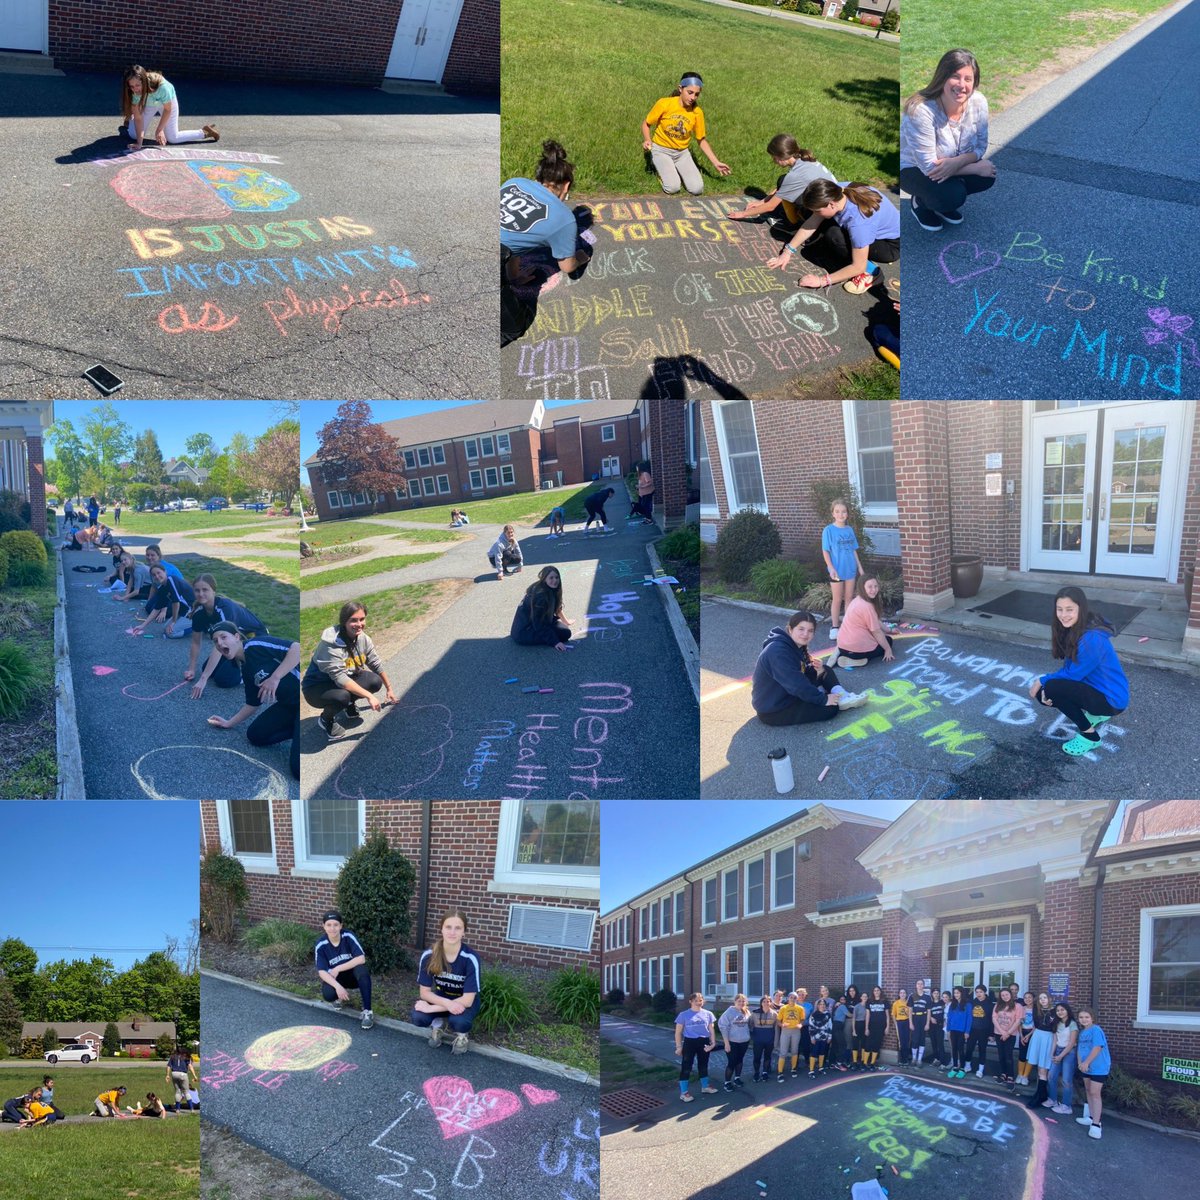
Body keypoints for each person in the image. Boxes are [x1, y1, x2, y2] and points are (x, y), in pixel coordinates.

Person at [900, 49, 996, 233]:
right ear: (942, 77)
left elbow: (981, 145)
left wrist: (958, 162)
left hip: (949, 162)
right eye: (955, 76)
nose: (962, 85)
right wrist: (974, 167)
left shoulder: (979, 102)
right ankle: (921, 203)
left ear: (974, 82)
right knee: (952, 194)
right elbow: (929, 167)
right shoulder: (921, 110)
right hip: (913, 168)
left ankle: (941, 202)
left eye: (968, 79)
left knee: (987, 176)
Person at [1026, 586, 1129, 757]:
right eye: (1059, 609)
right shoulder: (1076, 628)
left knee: (1050, 689)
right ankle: (1097, 713)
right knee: (1047, 690)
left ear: (1081, 609)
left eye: (1069, 609)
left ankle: (1091, 737)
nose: (1063, 615)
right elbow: (1072, 670)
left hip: (1112, 699)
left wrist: (1042, 680)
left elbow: (1072, 675)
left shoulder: (1091, 639)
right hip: (1102, 691)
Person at [765, 178, 900, 295]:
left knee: (834, 236)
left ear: (831, 204)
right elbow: (812, 222)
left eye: (818, 210)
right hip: (871, 230)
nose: (815, 213)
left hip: (889, 245)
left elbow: (857, 266)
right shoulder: (837, 191)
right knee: (823, 224)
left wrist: (821, 281)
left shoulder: (859, 223)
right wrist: (787, 252)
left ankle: (872, 272)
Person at [206, 622, 301, 782]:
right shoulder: (246, 669)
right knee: (255, 735)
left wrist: (275, 678)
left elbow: (297, 648)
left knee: (298, 770)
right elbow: (253, 703)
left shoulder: (255, 645)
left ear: (236, 637)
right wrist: (229, 723)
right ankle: (296, 730)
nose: (220, 643)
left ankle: (301, 730)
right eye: (215, 641)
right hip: (288, 705)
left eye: (223, 637)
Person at [751, 610, 867, 726]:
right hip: (774, 708)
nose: (805, 634)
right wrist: (823, 699)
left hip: (786, 692)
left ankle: (843, 696)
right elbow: (796, 685)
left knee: (825, 669)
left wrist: (819, 671)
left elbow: (801, 671)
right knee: (831, 709)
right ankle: (831, 696)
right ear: (790, 629)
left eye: (810, 631)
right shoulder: (778, 652)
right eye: (801, 629)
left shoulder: (794, 644)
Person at [302, 600, 397, 739]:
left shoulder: (363, 638)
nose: (359, 624)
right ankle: (325, 719)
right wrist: (369, 696)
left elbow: (375, 663)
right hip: (316, 687)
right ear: (344, 622)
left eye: (362, 619)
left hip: (344, 679)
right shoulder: (330, 645)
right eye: (353, 620)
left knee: (374, 682)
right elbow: (340, 679)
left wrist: (389, 689)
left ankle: (348, 703)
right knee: (342, 697)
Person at [501, 140, 592, 278]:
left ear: (538, 177)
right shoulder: (564, 219)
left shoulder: (514, 182)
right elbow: (567, 267)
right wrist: (579, 259)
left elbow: (510, 235)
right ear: (566, 186)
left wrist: (514, 276)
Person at [642, 73, 730, 196]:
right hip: (661, 150)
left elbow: (701, 140)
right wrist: (647, 140)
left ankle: (674, 169)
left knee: (697, 189)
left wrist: (716, 162)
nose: (693, 97)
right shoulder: (664, 103)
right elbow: (646, 124)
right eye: (690, 92)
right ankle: (659, 168)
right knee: (672, 188)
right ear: (680, 89)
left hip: (682, 153)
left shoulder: (697, 112)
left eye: (696, 94)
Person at [727, 134, 837, 230]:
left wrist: (742, 214)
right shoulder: (805, 160)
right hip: (832, 200)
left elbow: (771, 206)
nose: (773, 161)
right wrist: (761, 202)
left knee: (786, 187)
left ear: (781, 157)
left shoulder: (795, 175)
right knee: (783, 180)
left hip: (825, 212)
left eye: (774, 158)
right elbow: (784, 187)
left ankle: (792, 225)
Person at [411, 909, 482, 1053]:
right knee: (418, 1016)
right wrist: (448, 1004)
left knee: (459, 1022)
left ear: (464, 932)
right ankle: (438, 1025)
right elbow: (424, 993)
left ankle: (462, 1035)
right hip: (442, 996)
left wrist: (431, 1008)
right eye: (448, 927)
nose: (452, 932)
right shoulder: (429, 955)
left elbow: (468, 1000)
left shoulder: (470, 958)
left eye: (458, 928)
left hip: (464, 1000)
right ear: (441, 929)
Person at [186, 575, 270, 694]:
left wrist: (202, 679)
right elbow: (195, 643)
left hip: (254, 638)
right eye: (197, 590)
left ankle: (250, 674)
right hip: (234, 641)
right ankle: (242, 666)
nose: (200, 594)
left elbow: (222, 644)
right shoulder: (199, 614)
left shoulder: (224, 608)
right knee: (207, 669)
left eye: (205, 590)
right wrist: (191, 669)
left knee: (224, 680)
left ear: (213, 591)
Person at [121, 64, 217, 147]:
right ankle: (130, 122)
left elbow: (167, 110)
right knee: (134, 135)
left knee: (173, 138)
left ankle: (204, 132)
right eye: (132, 86)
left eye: (137, 85)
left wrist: (159, 129)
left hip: (166, 104)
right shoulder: (133, 92)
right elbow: (138, 119)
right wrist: (139, 143)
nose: (135, 89)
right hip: (149, 103)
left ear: (144, 81)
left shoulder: (162, 88)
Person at [315, 910, 375, 1030]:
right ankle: (338, 997)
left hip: (353, 976)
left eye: (336, 925)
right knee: (328, 994)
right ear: (324, 926)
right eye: (329, 925)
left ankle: (367, 1011)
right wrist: (337, 987)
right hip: (338, 979)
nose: (332, 928)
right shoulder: (321, 944)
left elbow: (361, 958)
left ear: (341, 926)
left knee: (362, 971)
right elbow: (321, 971)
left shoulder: (347, 936)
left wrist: (338, 968)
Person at [822, 499, 864, 639]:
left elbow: (853, 550)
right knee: (837, 599)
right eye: (837, 511)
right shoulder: (828, 530)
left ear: (847, 514)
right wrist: (831, 568)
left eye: (844, 511)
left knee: (849, 599)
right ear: (833, 513)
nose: (841, 514)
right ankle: (835, 627)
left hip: (850, 569)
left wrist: (859, 567)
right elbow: (826, 551)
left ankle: (848, 625)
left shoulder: (849, 530)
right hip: (837, 571)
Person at [836, 575, 896, 667]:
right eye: (870, 587)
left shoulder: (857, 600)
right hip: (856, 651)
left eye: (876, 586)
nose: (874, 589)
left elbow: (875, 620)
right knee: (888, 640)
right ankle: (858, 660)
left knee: (882, 638)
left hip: (842, 646)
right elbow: (876, 632)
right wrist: (888, 649)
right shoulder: (867, 606)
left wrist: (889, 630)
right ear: (862, 588)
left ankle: (840, 654)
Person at [510, 566, 574, 650]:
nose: (555, 580)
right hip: (524, 632)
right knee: (565, 634)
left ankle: (549, 633)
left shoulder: (549, 588)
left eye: (556, 577)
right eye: (551, 578)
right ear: (544, 579)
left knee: (564, 630)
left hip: (531, 624)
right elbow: (538, 623)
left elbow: (557, 607)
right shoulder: (540, 596)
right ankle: (548, 637)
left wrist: (566, 621)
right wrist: (555, 642)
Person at [1074, 1007, 1111, 1140]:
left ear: (1092, 1018)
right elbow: (1079, 1049)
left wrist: (1087, 1062)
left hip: (1098, 1067)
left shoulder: (1096, 1030)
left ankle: (1096, 1124)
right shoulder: (1082, 1032)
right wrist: (1080, 1063)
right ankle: (1090, 1117)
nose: (1084, 1020)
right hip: (1085, 1067)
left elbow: (1097, 1047)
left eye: (1086, 1017)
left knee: (1095, 1093)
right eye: (1081, 1017)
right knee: (1088, 1091)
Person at [131, 564, 195, 638]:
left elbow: (176, 603)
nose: (157, 576)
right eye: (154, 575)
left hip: (193, 608)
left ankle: (200, 624)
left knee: (171, 633)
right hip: (184, 610)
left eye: (159, 573)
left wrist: (174, 621)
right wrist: (142, 625)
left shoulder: (171, 580)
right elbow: (156, 609)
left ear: (165, 572)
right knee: (166, 629)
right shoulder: (162, 589)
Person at [675, 993, 718, 1101]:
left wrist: (712, 1043)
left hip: (703, 1042)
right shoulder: (683, 1015)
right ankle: (684, 1093)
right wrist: (679, 1047)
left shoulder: (708, 1014)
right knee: (686, 1067)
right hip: (689, 1042)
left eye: (700, 1000)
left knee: (703, 1065)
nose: (699, 1002)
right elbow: (678, 1032)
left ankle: (705, 1087)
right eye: (696, 1000)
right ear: (690, 1001)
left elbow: (711, 1030)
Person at [1024, 992, 1057, 1109]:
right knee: (1039, 1068)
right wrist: (1028, 1036)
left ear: (1049, 999)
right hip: (1038, 1036)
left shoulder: (1055, 1011)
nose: (1043, 1000)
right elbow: (1036, 1026)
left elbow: (1056, 1030)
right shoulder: (1036, 1010)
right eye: (1040, 998)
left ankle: (1041, 1096)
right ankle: (1041, 1093)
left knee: (1043, 1069)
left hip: (1048, 1038)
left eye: (1045, 997)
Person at [1046, 1002, 1079, 1115]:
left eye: (1062, 1010)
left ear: (1067, 1011)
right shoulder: (1056, 1023)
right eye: (1058, 1010)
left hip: (1069, 1052)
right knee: (1051, 1076)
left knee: (1066, 1080)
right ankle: (1052, 1100)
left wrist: (1060, 1056)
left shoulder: (1073, 1024)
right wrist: (1052, 1053)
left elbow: (1072, 1042)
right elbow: (1055, 1039)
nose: (1060, 1012)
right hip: (1058, 1050)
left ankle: (1066, 1105)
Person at [718, 993, 752, 1090]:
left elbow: (749, 1025)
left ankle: (737, 1078)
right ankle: (727, 1082)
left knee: (740, 1060)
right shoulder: (729, 1012)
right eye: (739, 1001)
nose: (741, 1003)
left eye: (743, 1001)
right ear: (735, 1002)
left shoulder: (746, 1012)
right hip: (732, 1042)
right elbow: (723, 1027)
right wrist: (726, 1043)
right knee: (732, 1062)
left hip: (744, 1041)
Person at [991, 987, 1023, 1083]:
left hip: (1011, 1035)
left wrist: (1007, 1033)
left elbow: (1018, 1021)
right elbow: (994, 1019)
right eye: (1002, 995)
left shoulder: (1018, 1006)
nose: (1005, 997)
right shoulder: (997, 1005)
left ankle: (1010, 1076)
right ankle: (1003, 1073)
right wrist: (1002, 1032)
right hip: (998, 1034)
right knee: (1001, 1055)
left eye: (1006, 994)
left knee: (1008, 1055)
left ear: (1011, 995)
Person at [965, 984, 993, 1078]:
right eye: (977, 992)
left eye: (981, 992)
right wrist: (966, 1031)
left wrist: (991, 1034)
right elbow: (968, 1017)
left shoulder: (990, 1004)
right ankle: (967, 1065)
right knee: (969, 1048)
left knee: (982, 1049)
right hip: (972, 1030)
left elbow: (991, 1020)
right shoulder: (971, 1002)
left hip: (984, 1030)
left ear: (985, 992)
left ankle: (980, 1069)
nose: (978, 994)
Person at [748, 995, 779, 1082]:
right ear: (761, 1003)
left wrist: (775, 1040)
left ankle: (765, 1072)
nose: (766, 1003)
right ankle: (756, 1072)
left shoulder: (774, 1014)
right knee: (757, 1057)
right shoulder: (754, 1013)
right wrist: (752, 1035)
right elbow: (750, 1024)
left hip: (769, 1039)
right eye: (764, 1001)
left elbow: (776, 1027)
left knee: (767, 1057)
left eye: (768, 1001)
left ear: (770, 1003)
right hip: (758, 1039)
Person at [776, 991, 805, 1080]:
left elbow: (802, 1019)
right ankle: (780, 1072)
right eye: (791, 997)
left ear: (797, 999)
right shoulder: (783, 1008)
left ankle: (793, 1069)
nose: (793, 999)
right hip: (785, 1031)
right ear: (788, 998)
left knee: (794, 1051)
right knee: (783, 1051)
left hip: (796, 1031)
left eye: (794, 998)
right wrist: (781, 1025)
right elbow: (778, 1021)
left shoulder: (800, 1008)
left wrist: (801, 1024)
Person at [945, 986, 971, 1077]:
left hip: (962, 1031)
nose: (956, 995)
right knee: (954, 1049)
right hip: (953, 1030)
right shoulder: (953, 1004)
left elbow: (969, 1018)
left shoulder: (967, 1004)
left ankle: (962, 1068)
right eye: (955, 993)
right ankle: (955, 1067)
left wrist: (967, 1031)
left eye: (958, 993)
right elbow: (949, 1017)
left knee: (961, 1049)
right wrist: (948, 1029)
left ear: (962, 993)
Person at [864, 986, 890, 1070]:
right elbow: (867, 1015)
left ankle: (872, 1063)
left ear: (880, 992)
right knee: (868, 1045)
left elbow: (887, 1016)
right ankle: (864, 1063)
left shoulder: (885, 1002)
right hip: (871, 1026)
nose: (876, 992)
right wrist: (866, 1028)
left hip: (881, 1027)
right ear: (873, 992)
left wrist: (887, 1027)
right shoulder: (869, 1001)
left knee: (876, 1045)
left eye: (878, 990)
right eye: (875, 990)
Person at [807, 997, 833, 1078]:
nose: (822, 1006)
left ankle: (821, 1068)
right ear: (817, 1006)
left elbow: (830, 1026)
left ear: (826, 1006)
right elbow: (811, 1027)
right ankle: (811, 1071)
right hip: (816, 1037)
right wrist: (812, 1038)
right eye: (820, 1004)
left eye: (823, 1004)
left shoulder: (828, 1015)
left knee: (822, 1052)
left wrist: (829, 1037)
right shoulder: (813, 1015)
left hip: (825, 1037)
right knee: (814, 1053)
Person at [1015, 990, 1037, 1087]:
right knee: (1022, 1054)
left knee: (1030, 1055)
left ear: (1033, 999)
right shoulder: (1022, 1009)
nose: (1027, 999)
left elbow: (1037, 1025)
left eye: (1030, 997)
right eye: (1025, 997)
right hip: (1022, 1032)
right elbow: (1019, 1023)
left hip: (1033, 1033)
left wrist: (1028, 1036)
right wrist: (1022, 1035)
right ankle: (1020, 1074)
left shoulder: (1036, 1010)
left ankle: (1025, 1076)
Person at [166, 1046, 197, 1113]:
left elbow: (168, 1066)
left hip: (174, 1073)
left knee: (177, 1091)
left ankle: (177, 1109)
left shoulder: (173, 1057)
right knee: (186, 1092)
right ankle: (192, 1109)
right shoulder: (185, 1057)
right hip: (183, 1074)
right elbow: (190, 1066)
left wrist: (167, 1075)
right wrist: (194, 1076)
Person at [909, 981, 930, 1067]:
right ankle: (914, 1058)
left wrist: (927, 1023)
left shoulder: (927, 997)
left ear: (923, 986)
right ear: (916, 985)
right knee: (914, 1040)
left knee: (922, 1040)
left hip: (923, 1019)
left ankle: (919, 1059)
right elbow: (910, 1010)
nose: (920, 985)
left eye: (921, 984)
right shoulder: (912, 996)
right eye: (918, 984)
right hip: (915, 1019)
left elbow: (929, 1011)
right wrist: (910, 1023)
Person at [891, 988, 913, 1066]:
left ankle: (906, 1059)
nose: (902, 994)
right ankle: (901, 1059)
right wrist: (896, 1024)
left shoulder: (908, 1003)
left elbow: (911, 1014)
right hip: (899, 1022)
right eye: (901, 993)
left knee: (906, 1041)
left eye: (904, 993)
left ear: (906, 994)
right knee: (901, 1041)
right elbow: (893, 1015)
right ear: (899, 994)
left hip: (907, 1022)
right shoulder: (896, 1003)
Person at [927, 990, 948, 1070]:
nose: (936, 995)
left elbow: (945, 1014)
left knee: (940, 1044)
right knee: (934, 1043)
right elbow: (927, 1013)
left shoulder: (942, 1003)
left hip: (940, 1026)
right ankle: (936, 1059)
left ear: (939, 995)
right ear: (932, 994)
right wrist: (931, 1018)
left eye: (937, 993)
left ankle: (943, 1062)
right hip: (932, 1026)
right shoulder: (930, 1004)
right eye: (934, 993)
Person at [832, 993, 851, 1071]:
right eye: (841, 999)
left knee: (835, 1045)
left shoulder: (836, 1007)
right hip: (838, 1026)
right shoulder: (842, 1006)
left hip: (835, 1026)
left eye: (844, 999)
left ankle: (832, 1063)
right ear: (839, 1000)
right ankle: (839, 1063)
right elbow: (849, 1015)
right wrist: (857, 1015)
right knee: (843, 1044)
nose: (843, 1001)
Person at [851, 989, 869, 1070]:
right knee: (855, 1044)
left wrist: (867, 1028)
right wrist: (854, 1030)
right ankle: (854, 1062)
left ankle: (862, 1061)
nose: (865, 997)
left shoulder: (868, 1006)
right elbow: (854, 1018)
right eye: (863, 996)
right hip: (857, 1025)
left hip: (865, 1025)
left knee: (863, 1044)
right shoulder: (857, 1006)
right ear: (861, 997)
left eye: (866, 996)